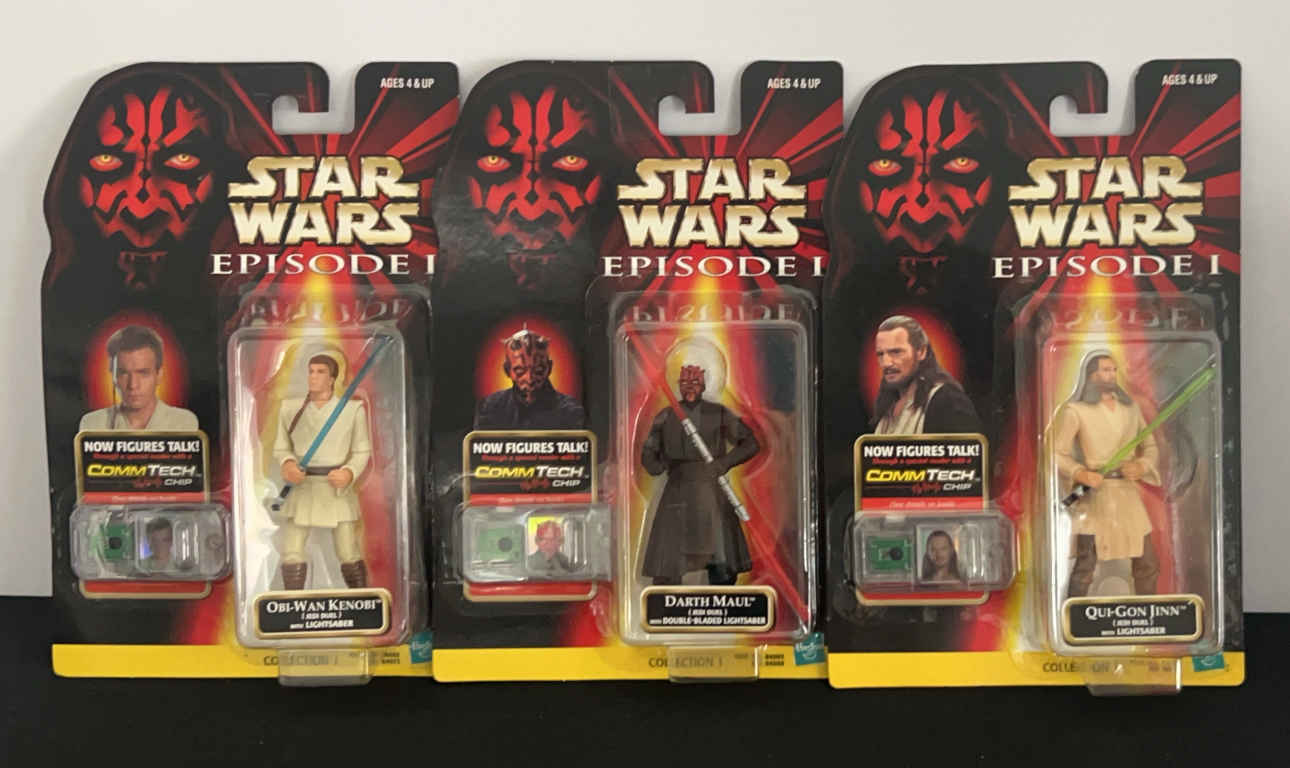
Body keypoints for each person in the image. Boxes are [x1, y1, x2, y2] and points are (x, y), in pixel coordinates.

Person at [1053, 352, 1161, 597]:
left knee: (1148, 563)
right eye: (1105, 370)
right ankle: (1073, 613)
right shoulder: (1075, 411)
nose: (1110, 375)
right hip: (1096, 495)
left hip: (1127, 495)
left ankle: (1148, 610)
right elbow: (1056, 454)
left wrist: (1141, 466)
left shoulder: (1131, 409)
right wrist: (1080, 472)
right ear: (1092, 375)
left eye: (1113, 370)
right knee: (1085, 566)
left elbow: (1151, 446)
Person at [640, 365, 759, 586]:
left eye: (695, 383)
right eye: (685, 383)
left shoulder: (718, 413)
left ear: (703, 386)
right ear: (678, 386)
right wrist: (657, 463)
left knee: (722, 564)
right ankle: (667, 604)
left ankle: (722, 598)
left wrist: (724, 463)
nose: (690, 388)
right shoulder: (666, 416)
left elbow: (750, 443)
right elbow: (649, 455)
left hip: (711, 490)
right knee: (667, 566)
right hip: (677, 491)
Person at [273, 351, 372, 590]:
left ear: (332, 379)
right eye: (311, 371)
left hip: (335, 486)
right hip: (303, 486)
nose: (313, 376)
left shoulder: (352, 410)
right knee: (292, 550)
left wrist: (349, 472)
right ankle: (292, 600)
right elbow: (281, 447)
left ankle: (361, 597)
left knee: (348, 550)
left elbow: (362, 451)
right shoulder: (290, 408)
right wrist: (287, 463)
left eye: (320, 372)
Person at [871, 315, 979, 435]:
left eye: (896, 352)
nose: (886, 363)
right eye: (880, 354)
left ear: (921, 352)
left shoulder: (948, 400)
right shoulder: (887, 407)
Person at [79, 325, 198, 431]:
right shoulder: (93, 424)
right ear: (113, 375)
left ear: (159, 375)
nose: (133, 385)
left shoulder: (183, 422)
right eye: (123, 373)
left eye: (143, 373)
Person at [475, 328, 585, 429]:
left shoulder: (570, 411)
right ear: (507, 370)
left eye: (538, 371)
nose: (529, 379)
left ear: (549, 368)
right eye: (520, 371)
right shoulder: (489, 409)